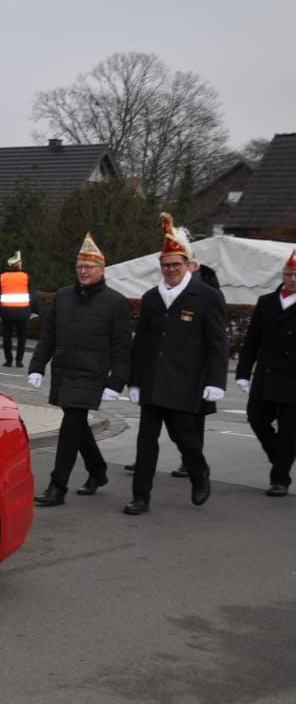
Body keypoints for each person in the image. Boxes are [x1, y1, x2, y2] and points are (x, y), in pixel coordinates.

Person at [124, 213, 229, 515]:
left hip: (185, 382)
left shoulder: (207, 297)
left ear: (187, 265)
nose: (170, 269)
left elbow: (217, 343)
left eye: (176, 264)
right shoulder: (151, 298)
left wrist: (216, 381)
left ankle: (199, 473)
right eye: (166, 265)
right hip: (152, 381)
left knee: (185, 438)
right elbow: (142, 343)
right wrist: (134, 380)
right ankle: (140, 497)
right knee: (146, 441)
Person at [26, 233, 131, 506]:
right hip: (64, 372)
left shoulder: (116, 302)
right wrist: (37, 366)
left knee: (70, 427)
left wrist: (116, 381)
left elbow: (122, 347)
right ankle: (98, 471)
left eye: (89, 267)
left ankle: (57, 487)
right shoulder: (63, 297)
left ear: (102, 270)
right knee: (77, 424)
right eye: (80, 267)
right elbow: (48, 336)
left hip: (92, 375)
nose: (83, 271)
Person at [234, 249, 296, 497]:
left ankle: (280, 479)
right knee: (257, 419)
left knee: (289, 430)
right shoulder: (267, 302)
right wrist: (242, 373)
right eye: (289, 274)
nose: (292, 279)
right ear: (283, 275)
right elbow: (252, 341)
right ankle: (280, 458)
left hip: (293, 379)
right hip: (266, 375)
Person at [0, 251, 37, 367]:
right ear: (19, 265)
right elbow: (32, 295)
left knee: (7, 336)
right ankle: (19, 360)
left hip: (6, 312)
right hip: (23, 311)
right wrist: (34, 310)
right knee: (22, 336)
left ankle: (8, 360)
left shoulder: (2, 277)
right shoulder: (26, 277)